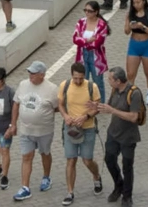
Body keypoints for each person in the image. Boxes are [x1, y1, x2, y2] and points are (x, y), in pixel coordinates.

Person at [96, 66, 146, 207]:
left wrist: (113, 110)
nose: (108, 81)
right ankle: (119, 185)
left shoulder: (134, 93)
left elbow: (133, 117)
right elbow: (110, 107)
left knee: (127, 166)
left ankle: (127, 196)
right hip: (113, 134)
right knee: (109, 160)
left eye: (110, 79)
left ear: (118, 81)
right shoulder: (115, 90)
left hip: (128, 137)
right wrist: (97, 107)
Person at [10, 61, 58, 201]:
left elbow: (57, 107)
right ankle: (25, 187)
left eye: (34, 73)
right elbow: (16, 104)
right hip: (26, 130)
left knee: (45, 153)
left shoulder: (52, 89)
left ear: (42, 75)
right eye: (30, 73)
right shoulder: (23, 85)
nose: (30, 75)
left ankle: (46, 177)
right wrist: (13, 124)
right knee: (26, 157)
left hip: (44, 131)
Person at [57, 62, 104, 205]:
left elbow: (97, 107)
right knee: (71, 160)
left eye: (81, 78)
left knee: (87, 160)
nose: (78, 81)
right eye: (75, 78)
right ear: (71, 75)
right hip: (70, 129)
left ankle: (96, 176)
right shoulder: (64, 85)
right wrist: (65, 116)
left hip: (88, 128)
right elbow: (60, 104)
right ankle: (70, 192)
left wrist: (85, 116)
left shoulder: (92, 87)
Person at [124, 0, 148, 106]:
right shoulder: (130, 14)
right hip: (134, 45)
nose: (136, 5)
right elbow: (126, 32)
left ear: (143, 1)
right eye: (134, 3)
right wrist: (129, 26)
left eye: (138, 2)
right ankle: (130, 95)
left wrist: (142, 27)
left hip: (147, 45)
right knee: (130, 73)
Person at [74, 1, 110, 104]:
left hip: (96, 57)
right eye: (85, 10)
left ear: (96, 12)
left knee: (98, 82)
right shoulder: (81, 22)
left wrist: (82, 41)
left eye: (90, 11)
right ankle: (82, 102)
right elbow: (75, 39)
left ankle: (100, 104)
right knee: (81, 80)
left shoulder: (102, 25)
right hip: (82, 56)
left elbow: (98, 43)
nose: (87, 13)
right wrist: (88, 40)